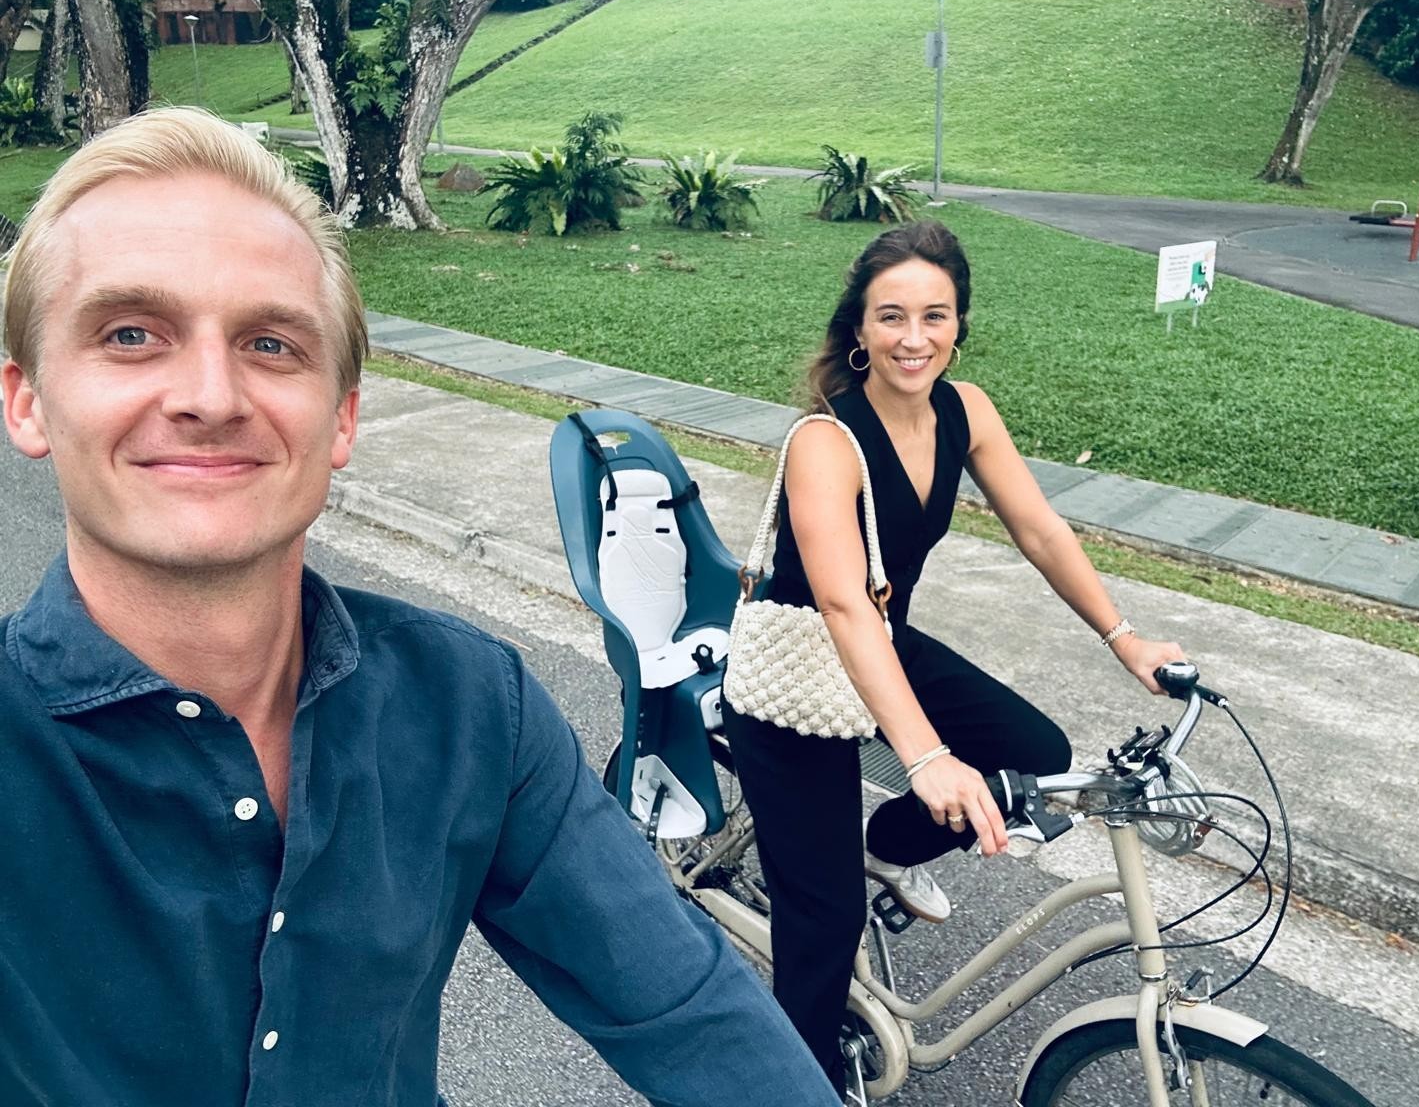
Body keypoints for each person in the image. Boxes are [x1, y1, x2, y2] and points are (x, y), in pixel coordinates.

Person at [0, 107, 838, 1107]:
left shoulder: (472, 706)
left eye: (270, 343)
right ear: (27, 399)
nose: (211, 396)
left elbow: (688, 1011)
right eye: (131, 335)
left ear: (342, 418)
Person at [722, 220, 1185, 1092]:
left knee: (1035, 754)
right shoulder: (826, 441)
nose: (914, 338)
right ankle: (793, 1083)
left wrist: (1126, 641)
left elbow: (1041, 532)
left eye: (934, 316)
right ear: (859, 328)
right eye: (891, 316)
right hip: (799, 672)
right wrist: (926, 757)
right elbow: (842, 605)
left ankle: (885, 846)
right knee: (825, 923)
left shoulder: (965, 410)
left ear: (958, 323)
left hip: (882, 643)